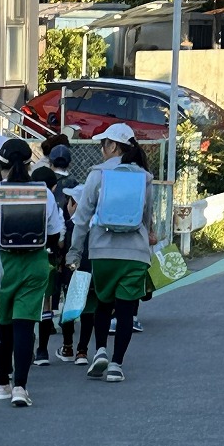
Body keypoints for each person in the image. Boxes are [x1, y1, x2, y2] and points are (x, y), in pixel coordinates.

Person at [0, 137, 64, 408]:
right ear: (29, 164)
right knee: (25, 325)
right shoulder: (43, 192)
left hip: (1, 264)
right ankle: (21, 387)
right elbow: (55, 233)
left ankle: (3, 381)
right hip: (35, 263)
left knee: (2, 324)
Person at [66, 123, 156, 383]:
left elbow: (81, 218)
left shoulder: (97, 174)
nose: (101, 150)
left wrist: (74, 252)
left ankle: (101, 350)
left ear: (113, 145)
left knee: (103, 304)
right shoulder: (144, 176)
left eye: (103, 144)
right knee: (126, 310)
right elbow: (147, 216)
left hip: (102, 251)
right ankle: (116, 364)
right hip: (134, 252)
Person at [34, 143, 77, 366]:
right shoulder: (74, 186)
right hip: (67, 253)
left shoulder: (30, 194)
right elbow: (63, 229)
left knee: (43, 302)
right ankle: (71, 346)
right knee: (69, 296)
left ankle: (39, 351)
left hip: (35, 255)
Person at [58, 184, 98, 365]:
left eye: (69, 200)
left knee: (70, 308)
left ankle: (67, 346)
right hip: (91, 272)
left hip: (71, 273)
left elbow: (62, 248)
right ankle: (82, 351)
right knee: (88, 311)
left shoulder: (69, 225)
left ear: (74, 205)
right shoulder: (96, 225)